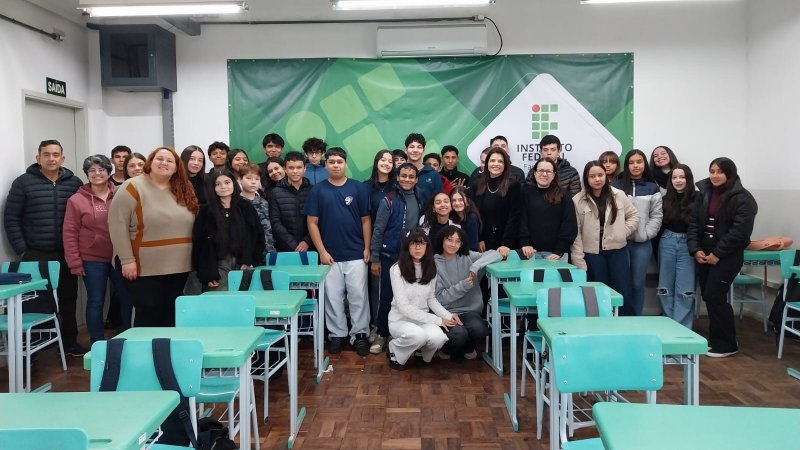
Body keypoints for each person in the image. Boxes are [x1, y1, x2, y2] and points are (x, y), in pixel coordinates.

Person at [4, 139, 84, 355]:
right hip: (35, 253)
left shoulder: (74, 183)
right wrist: (22, 249)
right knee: (35, 300)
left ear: (62, 158)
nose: (51, 159)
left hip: (66, 253)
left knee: (69, 299)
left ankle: (69, 343)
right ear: (38, 158)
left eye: (56, 155)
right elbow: (11, 218)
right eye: (46, 154)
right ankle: (32, 348)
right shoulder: (23, 183)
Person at [108, 147, 198, 327]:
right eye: (160, 159)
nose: (164, 163)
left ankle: (166, 346)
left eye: (169, 161)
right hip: (142, 266)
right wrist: (127, 260)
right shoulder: (132, 186)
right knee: (148, 314)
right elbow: (117, 224)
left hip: (179, 265)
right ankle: (145, 346)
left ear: (176, 167)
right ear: (150, 162)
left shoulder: (184, 187)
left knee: (171, 314)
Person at [304, 147, 372, 356]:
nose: (335, 165)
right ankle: (337, 335)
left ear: (345, 164)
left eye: (339, 162)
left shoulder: (358, 188)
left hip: (356, 253)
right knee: (333, 297)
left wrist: (367, 247)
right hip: (329, 255)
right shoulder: (317, 191)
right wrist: (321, 251)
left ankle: (360, 334)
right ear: (325, 165)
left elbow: (366, 220)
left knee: (358, 296)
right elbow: (312, 222)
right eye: (331, 162)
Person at [687, 158, 757, 357]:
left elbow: (740, 232)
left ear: (730, 173)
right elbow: (694, 224)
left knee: (715, 295)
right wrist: (696, 249)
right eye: (712, 171)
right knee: (710, 296)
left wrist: (718, 254)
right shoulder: (704, 193)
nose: (715, 175)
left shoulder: (743, 198)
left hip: (727, 255)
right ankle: (716, 339)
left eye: (720, 171)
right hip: (704, 253)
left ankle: (727, 344)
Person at [63, 155, 131, 343]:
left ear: (109, 172)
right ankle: (97, 343)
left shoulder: (121, 194)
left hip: (120, 257)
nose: (97, 173)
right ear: (86, 174)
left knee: (127, 298)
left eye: (101, 169)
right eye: (92, 170)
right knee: (95, 301)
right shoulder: (76, 200)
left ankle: (127, 337)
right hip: (92, 259)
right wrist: (74, 262)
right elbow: (69, 232)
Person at [571, 161, 639, 315]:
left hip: (617, 251)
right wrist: (578, 259)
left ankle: (626, 325)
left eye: (600, 175)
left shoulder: (618, 195)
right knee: (598, 294)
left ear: (606, 176)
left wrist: (622, 232)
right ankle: (600, 326)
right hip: (592, 254)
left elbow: (634, 216)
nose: (597, 179)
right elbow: (576, 233)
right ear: (586, 178)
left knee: (623, 292)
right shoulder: (578, 200)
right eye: (592, 176)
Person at [370, 163, 424, 354]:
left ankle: (400, 334)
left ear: (416, 179)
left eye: (411, 176)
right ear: (398, 178)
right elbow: (378, 230)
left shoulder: (419, 197)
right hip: (389, 255)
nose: (407, 179)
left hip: (410, 256)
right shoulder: (389, 200)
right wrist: (375, 258)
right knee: (386, 296)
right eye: (404, 176)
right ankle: (381, 334)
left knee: (408, 297)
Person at [386, 228, 457, 370]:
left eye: (421, 243)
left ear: (427, 246)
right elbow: (404, 307)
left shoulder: (431, 267)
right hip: (400, 320)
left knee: (439, 337)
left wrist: (448, 316)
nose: (418, 247)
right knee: (418, 336)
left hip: (422, 320)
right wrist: (438, 320)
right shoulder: (396, 269)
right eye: (413, 243)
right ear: (407, 246)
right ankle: (394, 349)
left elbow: (431, 299)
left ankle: (421, 352)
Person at [434, 226, 501, 359]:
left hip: (470, 311)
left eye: (457, 241)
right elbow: (440, 298)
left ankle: (468, 348)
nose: (453, 244)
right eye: (449, 240)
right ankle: (446, 350)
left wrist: (475, 267)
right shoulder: (433, 263)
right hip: (447, 312)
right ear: (442, 240)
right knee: (459, 334)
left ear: (461, 244)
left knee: (479, 329)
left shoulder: (468, 256)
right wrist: (463, 286)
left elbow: (496, 254)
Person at [193, 169, 265, 291]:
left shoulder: (245, 207)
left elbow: (257, 236)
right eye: (218, 184)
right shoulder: (206, 211)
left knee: (245, 300)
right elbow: (200, 244)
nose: (223, 187)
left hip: (243, 265)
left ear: (234, 183)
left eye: (227, 182)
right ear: (212, 187)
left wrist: (249, 260)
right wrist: (207, 273)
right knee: (221, 301)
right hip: (217, 267)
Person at [612, 149, 663, 316]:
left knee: (637, 284)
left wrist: (646, 234)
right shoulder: (616, 186)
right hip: (619, 243)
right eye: (631, 162)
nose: (635, 165)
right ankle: (620, 317)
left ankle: (636, 318)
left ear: (644, 164)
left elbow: (657, 215)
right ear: (626, 165)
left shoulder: (652, 187)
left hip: (642, 244)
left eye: (639, 162)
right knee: (620, 283)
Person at [658, 164, 697, 328]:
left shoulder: (698, 198)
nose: (678, 181)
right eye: (674, 177)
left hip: (689, 244)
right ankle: (669, 324)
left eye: (682, 177)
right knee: (664, 286)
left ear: (688, 179)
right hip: (667, 241)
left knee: (686, 288)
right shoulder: (665, 199)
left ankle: (682, 327)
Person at [519, 158, 578, 261]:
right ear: (535, 173)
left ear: (554, 174)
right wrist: (525, 243)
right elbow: (521, 221)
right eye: (541, 171)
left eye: (548, 171)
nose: (544, 174)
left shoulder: (564, 195)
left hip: (557, 255)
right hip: (530, 253)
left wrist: (560, 249)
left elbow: (569, 223)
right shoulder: (526, 193)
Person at [469, 147, 521, 257]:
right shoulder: (476, 185)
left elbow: (515, 216)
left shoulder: (513, 185)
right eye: (492, 160)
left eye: (500, 161)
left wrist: (506, 243)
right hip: (484, 242)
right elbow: (475, 214)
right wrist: (480, 238)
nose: (496, 164)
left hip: (506, 242)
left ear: (505, 164)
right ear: (487, 163)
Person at [269, 151, 313, 252]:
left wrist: (306, 241)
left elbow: (318, 219)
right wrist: (293, 244)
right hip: (285, 248)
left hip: (310, 247)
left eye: (299, 167)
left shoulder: (313, 191)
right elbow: (275, 221)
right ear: (285, 169)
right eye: (291, 168)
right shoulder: (275, 193)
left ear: (305, 168)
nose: (295, 171)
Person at [239, 163, 276, 254]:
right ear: (240, 179)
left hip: (269, 250)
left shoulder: (265, 202)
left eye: (257, 179)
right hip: (247, 252)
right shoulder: (237, 203)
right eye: (248, 178)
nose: (253, 182)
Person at [404, 133, 443, 205]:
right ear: (406, 150)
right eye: (412, 147)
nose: (415, 150)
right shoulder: (398, 172)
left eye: (419, 147)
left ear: (424, 150)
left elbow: (439, 200)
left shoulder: (433, 174)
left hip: (427, 212)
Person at [364, 150, 395, 224]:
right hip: (372, 228)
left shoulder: (396, 186)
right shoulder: (365, 187)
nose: (386, 163)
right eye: (383, 160)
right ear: (376, 162)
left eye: (390, 162)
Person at [450, 186, 481, 251]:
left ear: (468, 201)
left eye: (461, 200)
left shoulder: (471, 219)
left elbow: (473, 247)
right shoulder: (451, 216)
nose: (457, 203)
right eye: (454, 200)